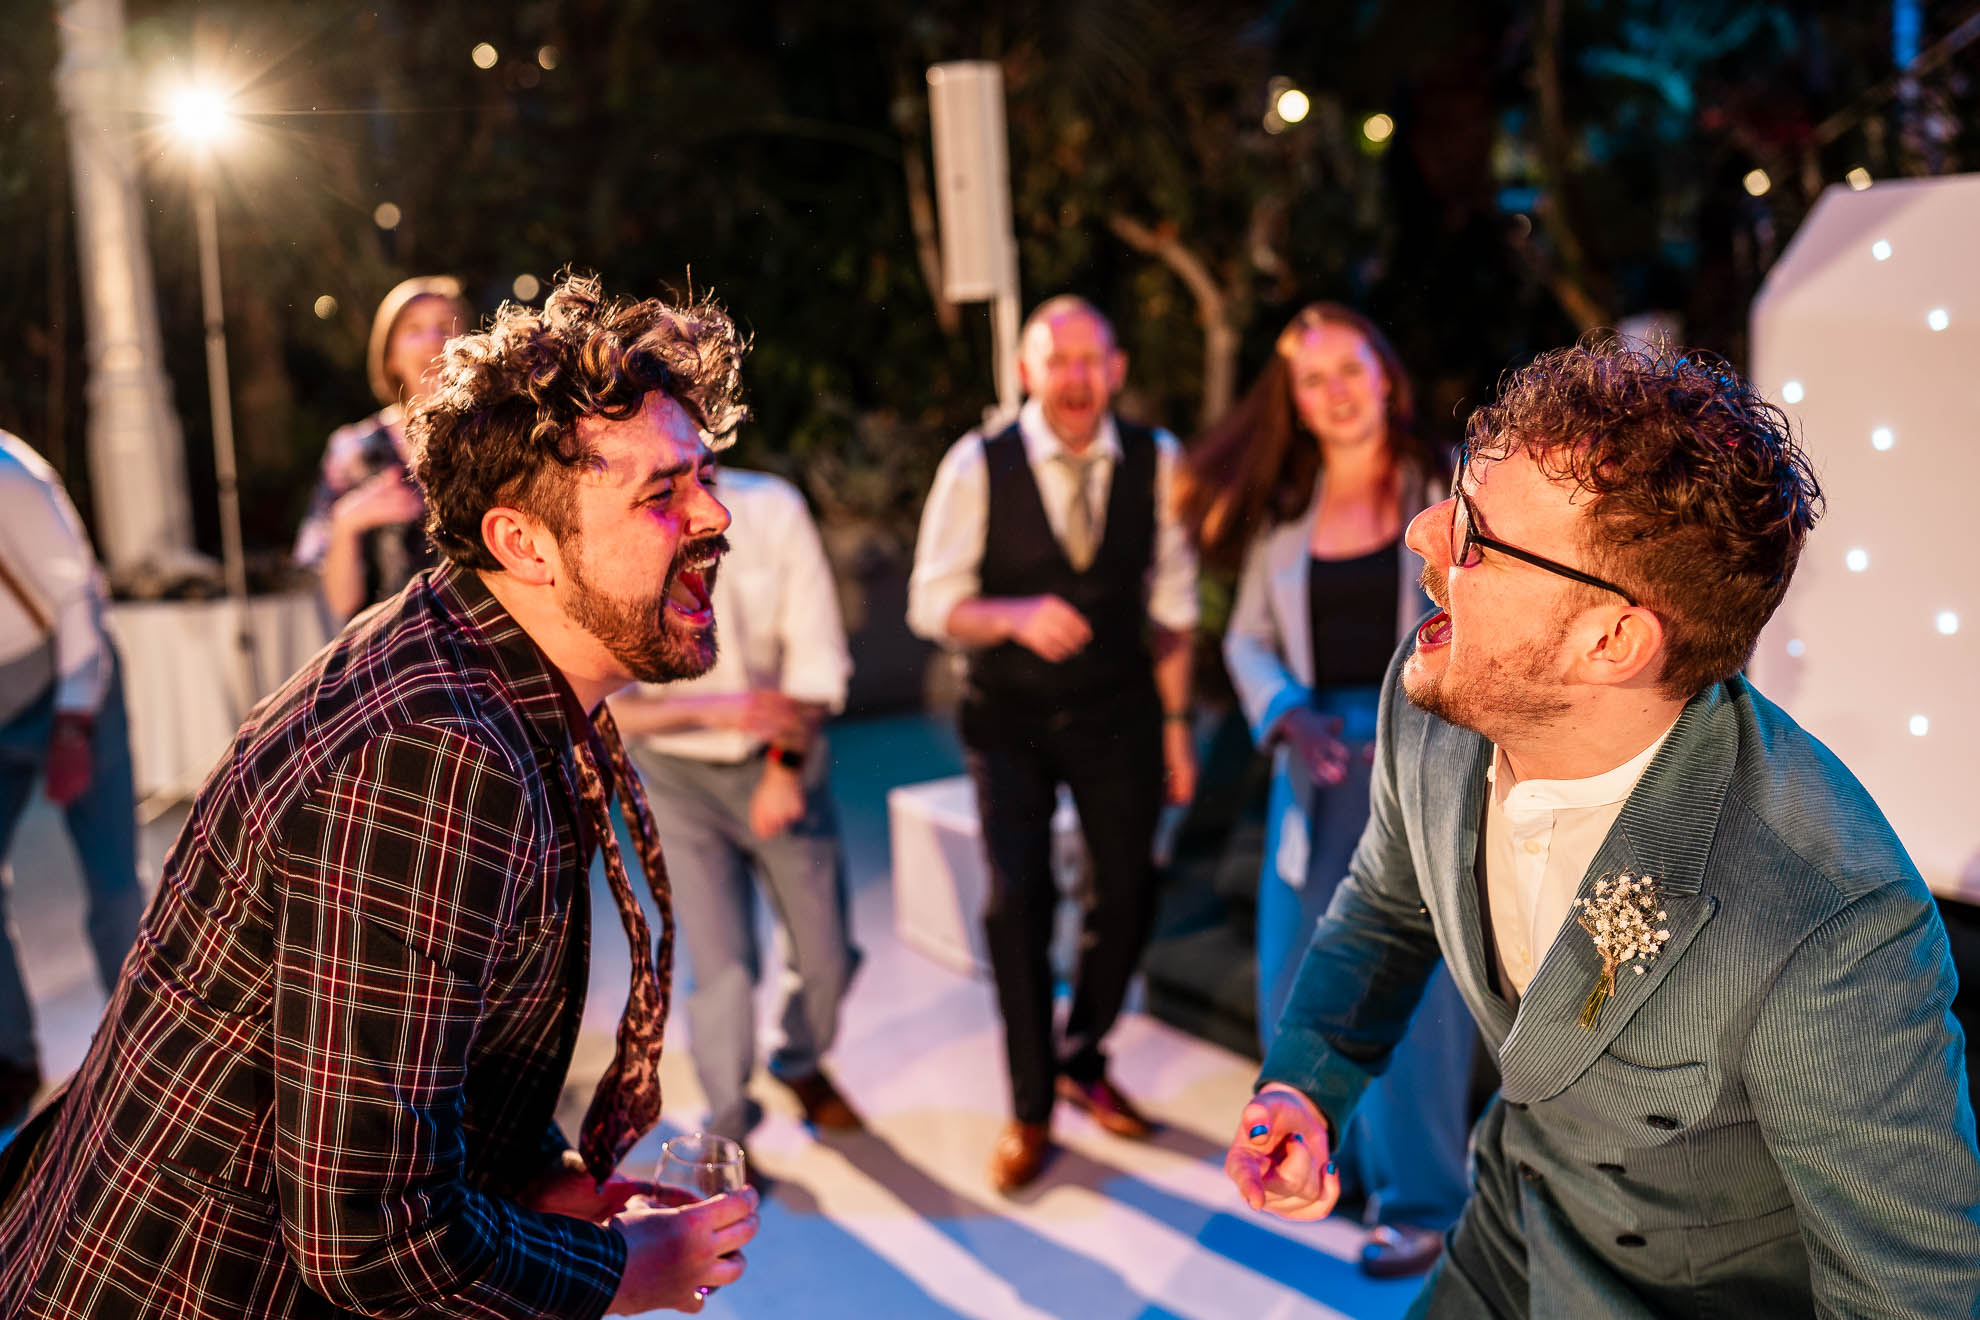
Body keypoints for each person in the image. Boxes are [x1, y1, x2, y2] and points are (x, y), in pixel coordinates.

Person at [0, 274, 761, 1318]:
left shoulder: (473, 657)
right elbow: (370, 1233)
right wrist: (631, 1272)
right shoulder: (438, 759)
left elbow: (416, 1040)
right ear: (521, 543)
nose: (715, 514)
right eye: (662, 493)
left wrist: (544, 1181)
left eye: (705, 475)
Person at [1224, 338, 1980, 1318]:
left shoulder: (1828, 922)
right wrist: (1305, 1087)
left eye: (1479, 540)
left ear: (1614, 640)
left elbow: (1906, 1298)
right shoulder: (1431, 697)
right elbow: (1385, 908)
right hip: (1507, 1224)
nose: (1422, 534)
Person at [1181, 304, 1474, 1277]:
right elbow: (1246, 639)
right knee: (1296, 974)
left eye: (1352, 368)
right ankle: (1325, 1165)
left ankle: (1424, 1202)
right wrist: (1287, 715)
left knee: (1419, 1000)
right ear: (1296, 403)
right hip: (1314, 770)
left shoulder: (1449, 490)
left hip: (1424, 761)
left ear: (1386, 374)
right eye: (1314, 379)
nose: (1337, 392)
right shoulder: (1281, 513)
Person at [907, 295, 1199, 1193]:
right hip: (1011, 720)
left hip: (1120, 710)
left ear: (1114, 370)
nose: (1074, 377)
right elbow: (931, 603)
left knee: (1130, 888)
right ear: (1028, 372)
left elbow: (1176, 610)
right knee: (1018, 904)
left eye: (1090, 359)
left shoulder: (1160, 460)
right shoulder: (976, 464)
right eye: (1055, 359)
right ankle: (1031, 1106)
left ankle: (1085, 1056)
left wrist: (1178, 730)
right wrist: (1012, 614)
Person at [609, 463, 862, 1151]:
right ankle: (729, 1118)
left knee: (827, 954)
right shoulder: (617, 515)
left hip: (780, 760)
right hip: (677, 781)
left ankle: (801, 1061)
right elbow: (612, 707)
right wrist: (722, 708)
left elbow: (817, 658)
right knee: (722, 964)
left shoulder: (772, 507)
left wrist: (782, 768)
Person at [0, 431, 144, 1133]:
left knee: (113, 883)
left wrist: (73, 725)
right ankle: (10, 1062)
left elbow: (79, 602)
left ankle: (151, 1053)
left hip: (70, 686)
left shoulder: (12, 480)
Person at [294, 274, 472, 623]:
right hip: (400, 653)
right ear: (390, 355)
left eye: (446, 327)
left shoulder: (496, 437)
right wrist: (348, 522)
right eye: (415, 329)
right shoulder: (354, 450)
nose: (433, 341)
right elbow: (341, 604)